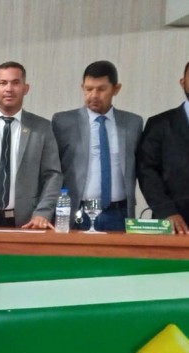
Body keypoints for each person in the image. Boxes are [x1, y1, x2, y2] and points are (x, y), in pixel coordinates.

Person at [0, 61, 63, 228]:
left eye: (15, 83)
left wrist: (43, 213)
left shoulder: (41, 128)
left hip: (28, 220)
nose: (9, 88)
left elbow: (53, 174)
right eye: (3, 83)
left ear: (26, 88)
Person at [52, 61, 143, 231]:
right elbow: (52, 169)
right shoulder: (63, 122)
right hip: (77, 212)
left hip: (118, 213)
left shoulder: (132, 123)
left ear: (116, 89)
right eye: (88, 89)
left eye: (101, 89)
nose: (94, 95)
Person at [137, 61, 189, 234]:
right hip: (173, 222)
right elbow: (146, 171)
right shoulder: (159, 124)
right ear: (183, 82)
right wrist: (167, 211)